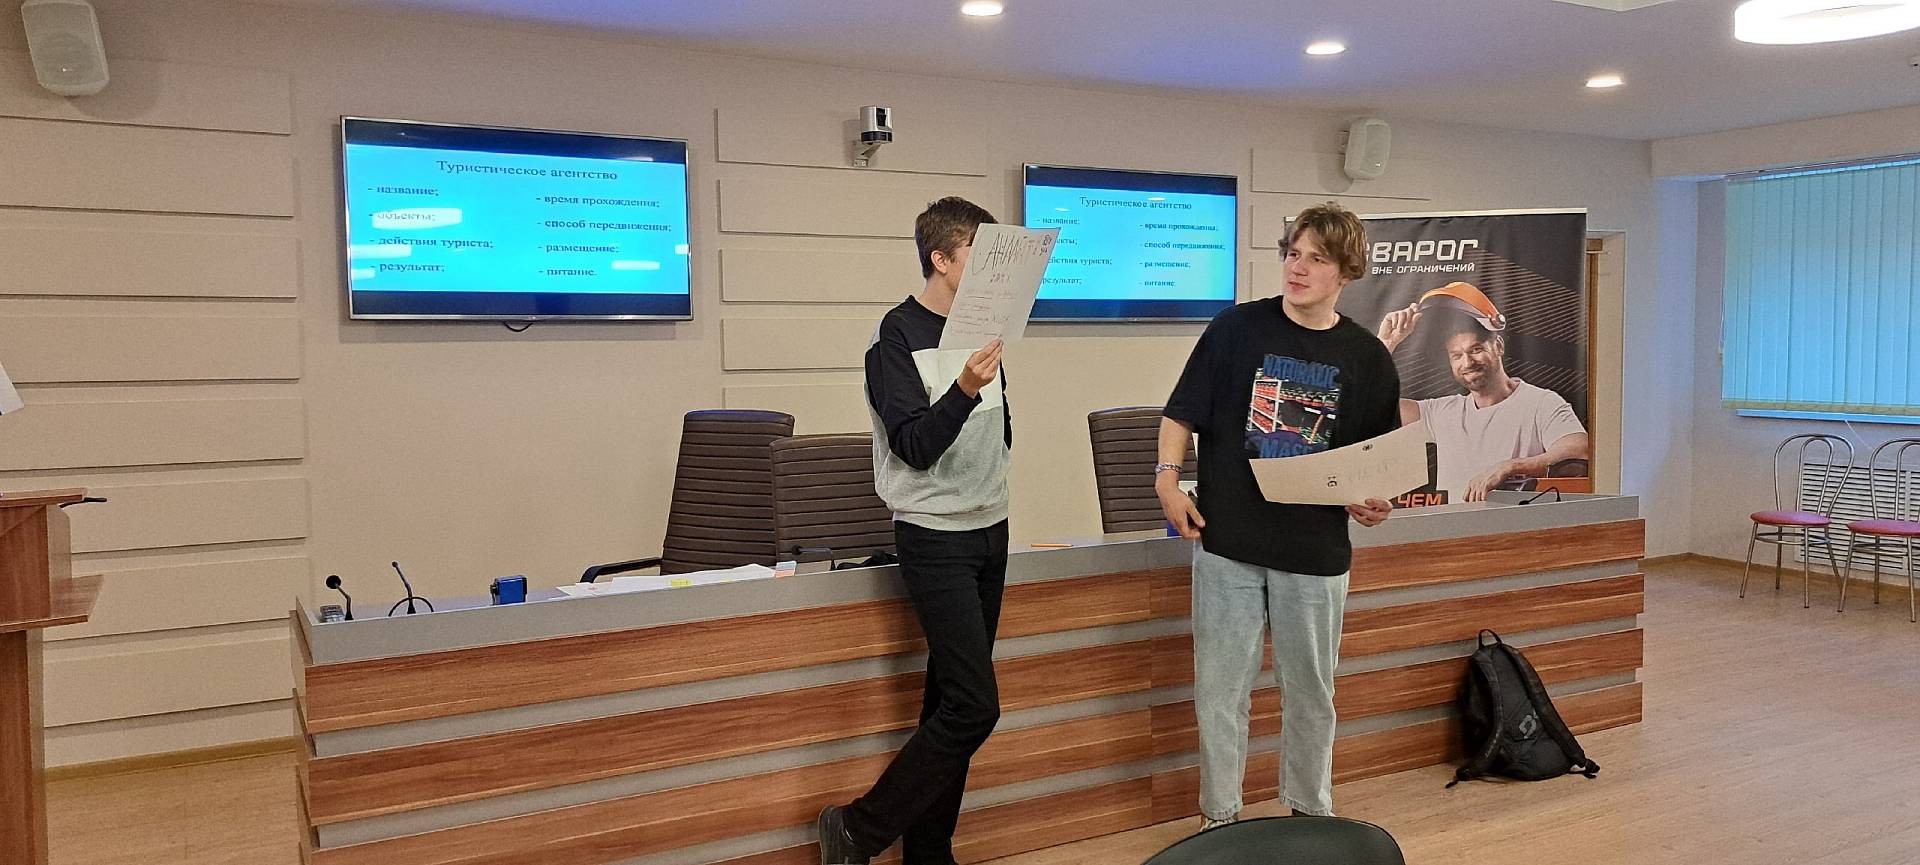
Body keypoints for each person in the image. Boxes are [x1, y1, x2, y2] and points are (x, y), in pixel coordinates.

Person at [1156, 202, 1400, 827]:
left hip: (1314, 555)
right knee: (1220, 693)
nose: (1298, 268)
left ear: (1346, 271)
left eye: (1316, 259)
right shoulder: (1235, 329)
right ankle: (1219, 818)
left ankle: (1310, 815)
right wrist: (1167, 480)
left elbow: (1372, 465)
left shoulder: (1368, 357)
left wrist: (1373, 501)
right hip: (1228, 544)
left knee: (1311, 696)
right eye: (1293, 254)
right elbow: (1180, 413)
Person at [818, 196, 1011, 865]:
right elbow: (915, 446)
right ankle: (857, 827)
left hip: (991, 528)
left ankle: (930, 851)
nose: (993, 270)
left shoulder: (983, 327)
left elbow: (993, 429)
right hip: (935, 536)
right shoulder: (895, 339)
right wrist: (963, 387)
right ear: (942, 259)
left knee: (948, 704)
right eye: (980, 255)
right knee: (975, 707)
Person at [1377, 285, 1590, 502]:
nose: (1467, 362)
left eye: (1476, 350)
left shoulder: (1541, 403)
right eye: (1456, 355)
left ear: (1499, 346)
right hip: (1452, 524)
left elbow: (1578, 451)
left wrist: (1508, 467)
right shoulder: (1440, 412)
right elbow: (1373, 404)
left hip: (1514, 523)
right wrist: (1387, 343)